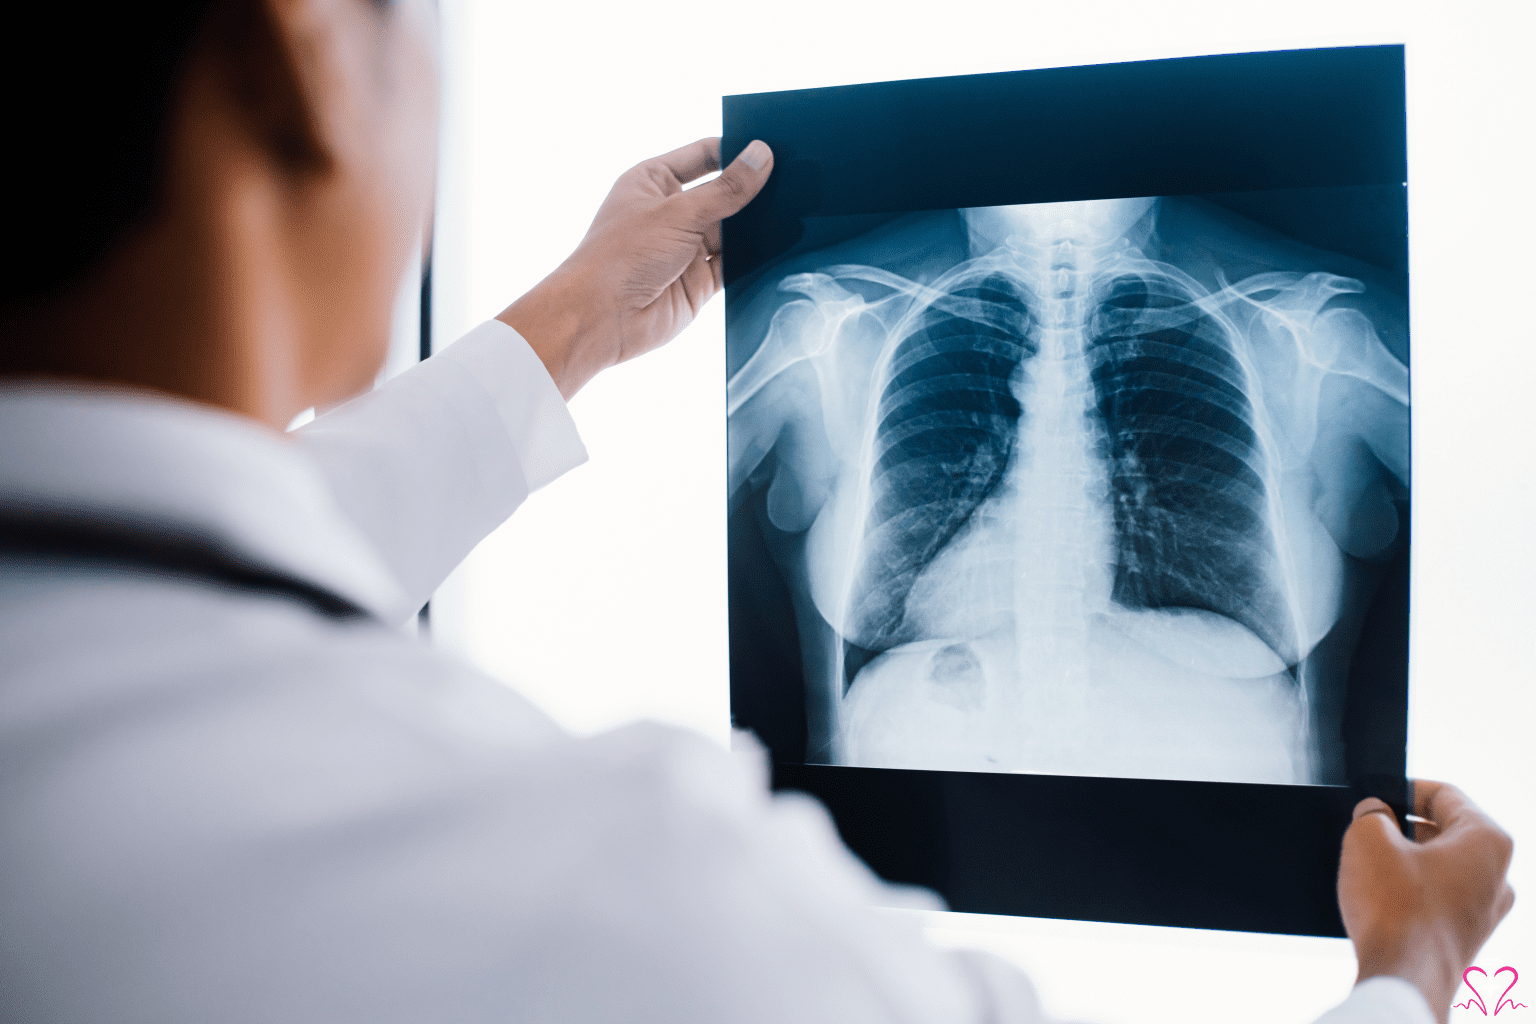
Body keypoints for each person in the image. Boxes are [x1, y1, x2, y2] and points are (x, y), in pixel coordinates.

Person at [0, 1, 1513, 1021]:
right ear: (306, 61)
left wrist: (578, 321)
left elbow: (241, 551)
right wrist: (1409, 966)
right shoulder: (617, 892)